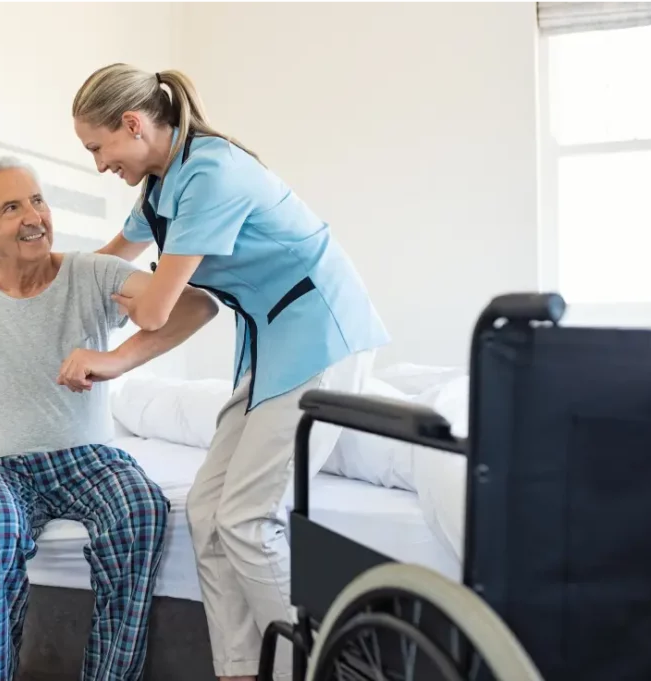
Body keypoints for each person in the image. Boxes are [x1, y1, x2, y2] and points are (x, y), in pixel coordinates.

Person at [72, 64, 390, 681]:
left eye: (97, 147)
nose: (98, 164)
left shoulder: (211, 174)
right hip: (273, 345)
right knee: (205, 512)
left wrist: (109, 356)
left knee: (247, 518)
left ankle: (327, 668)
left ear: (132, 125)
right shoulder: (161, 188)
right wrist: (43, 281)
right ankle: (242, 670)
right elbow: (110, 262)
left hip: (321, 336)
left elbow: (163, 305)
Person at [0, 156, 219, 681]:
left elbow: (195, 308)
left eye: (38, 200)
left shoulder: (93, 273)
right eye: (12, 207)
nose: (34, 216)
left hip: (85, 458)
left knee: (141, 509)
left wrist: (114, 361)